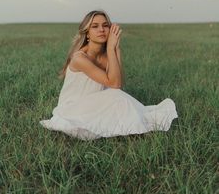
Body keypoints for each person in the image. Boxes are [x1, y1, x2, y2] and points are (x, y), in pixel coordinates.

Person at [39, 9, 178, 140]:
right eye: (95, 26)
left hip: (95, 102)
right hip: (73, 108)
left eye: (105, 25)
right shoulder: (79, 58)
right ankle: (140, 129)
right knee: (116, 96)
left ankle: (140, 126)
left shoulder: (106, 55)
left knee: (117, 96)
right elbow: (115, 84)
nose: (101, 29)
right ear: (87, 33)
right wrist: (111, 48)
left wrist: (116, 49)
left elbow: (119, 82)